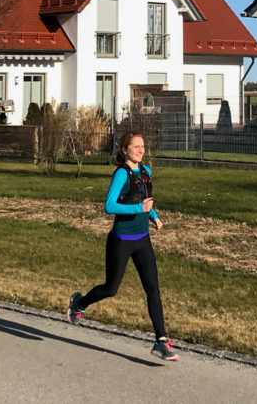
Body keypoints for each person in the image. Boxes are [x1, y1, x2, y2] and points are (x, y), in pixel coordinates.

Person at [68, 131, 178, 362]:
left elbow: (145, 201)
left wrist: (154, 217)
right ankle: (80, 303)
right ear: (125, 149)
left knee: (153, 290)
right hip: (121, 241)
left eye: (143, 146)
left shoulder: (145, 172)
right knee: (111, 288)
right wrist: (140, 210)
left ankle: (161, 341)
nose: (141, 150)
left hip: (142, 240)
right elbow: (109, 206)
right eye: (136, 146)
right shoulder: (121, 173)